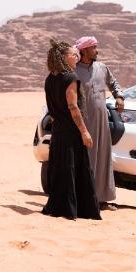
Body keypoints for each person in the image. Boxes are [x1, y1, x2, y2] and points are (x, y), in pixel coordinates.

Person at [42, 39, 101, 220]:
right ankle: (76, 210)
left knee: (62, 170)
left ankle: (59, 208)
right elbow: (73, 107)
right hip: (71, 132)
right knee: (77, 170)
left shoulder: (50, 79)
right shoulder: (71, 78)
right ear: (63, 57)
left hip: (58, 132)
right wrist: (84, 131)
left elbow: (52, 110)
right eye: (72, 54)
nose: (76, 57)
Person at [75, 36, 125, 211]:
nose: (97, 50)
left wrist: (119, 96)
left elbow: (114, 83)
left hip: (102, 121)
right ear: (84, 50)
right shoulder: (73, 70)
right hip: (83, 123)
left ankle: (102, 200)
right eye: (94, 47)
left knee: (103, 158)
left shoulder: (102, 68)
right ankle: (84, 199)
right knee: (86, 159)